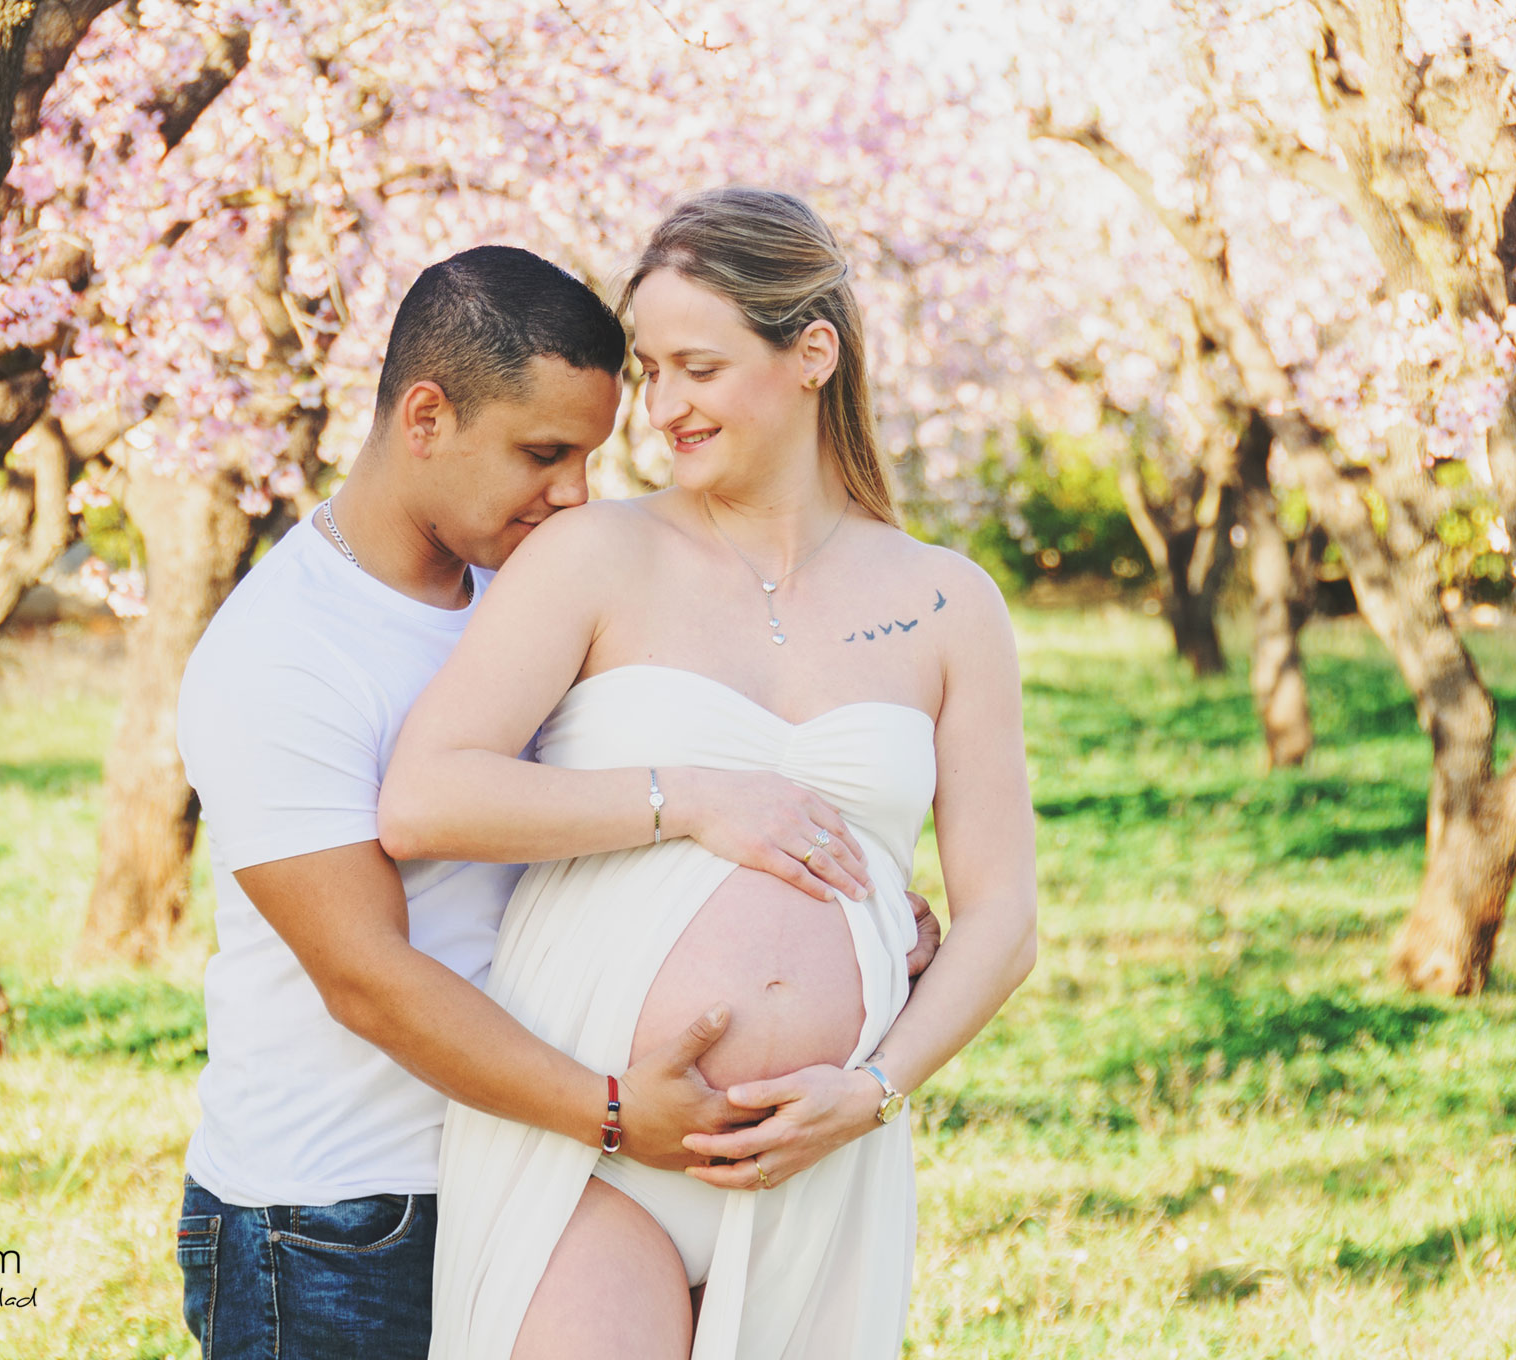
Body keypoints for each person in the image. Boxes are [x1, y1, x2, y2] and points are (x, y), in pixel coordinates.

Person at [173, 244, 940, 1360]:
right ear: (424, 417)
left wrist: (854, 916)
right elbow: (365, 977)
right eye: (542, 454)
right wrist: (615, 1110)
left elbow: (607, 814)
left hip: (528, 1176)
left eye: (587, 454)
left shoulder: (527, 579)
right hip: (341, 1214)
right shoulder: (283, 652)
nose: (575, 492)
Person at [378, 189, 1038, 1359]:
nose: (662, 408)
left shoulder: (946, 601)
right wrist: (685, 795)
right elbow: (427, 794)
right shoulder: (595, 553)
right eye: (650, 370)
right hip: (590, 1141)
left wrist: (873, 1088)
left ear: (811, 354)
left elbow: (1001, 916)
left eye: (697, 367)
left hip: (819, 1164)